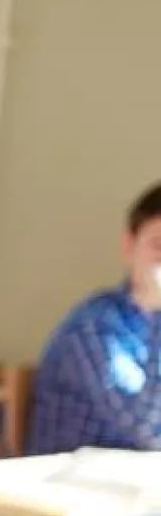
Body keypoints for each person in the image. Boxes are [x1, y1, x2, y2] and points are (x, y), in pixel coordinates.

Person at [27, 181, 161, 455]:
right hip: (67, 488)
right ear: (128, 245)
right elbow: (145, 431)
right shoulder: (96, 326)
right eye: (159, 244)